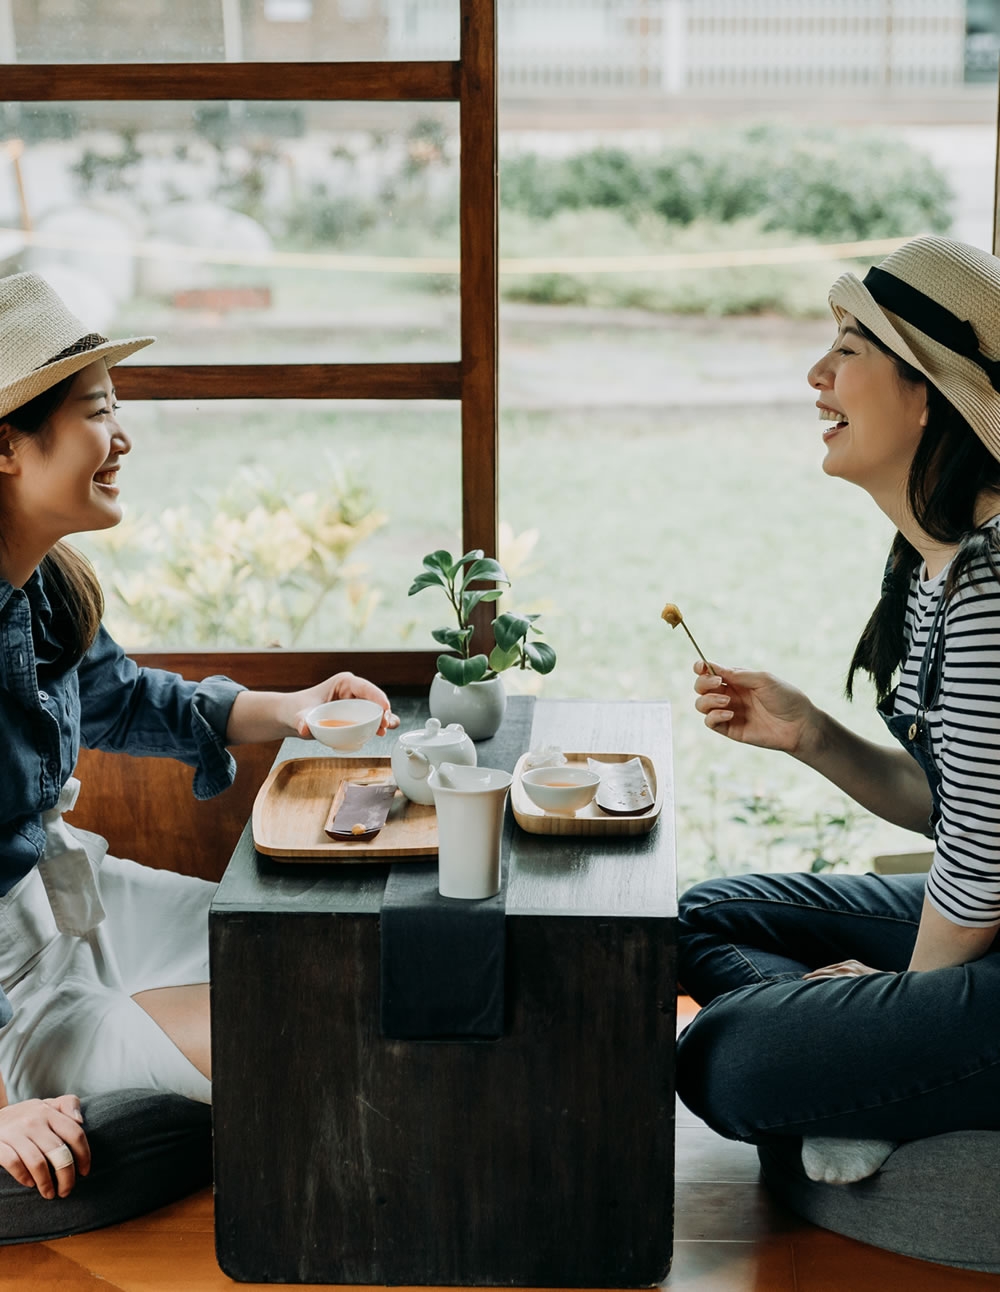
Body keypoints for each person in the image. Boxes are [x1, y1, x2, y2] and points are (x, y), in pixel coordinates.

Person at [0, 272, 398, 1206]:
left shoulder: (48, 588)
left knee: (341, 961)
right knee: (306, 1036)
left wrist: (291, 708)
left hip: (85, 907)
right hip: (14, 1006)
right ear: (8, 447)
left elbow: (128, 698)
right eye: (99, 412)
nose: (123, 437)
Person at [676, 235, 1000, 1187]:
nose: (818, 374)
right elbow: (961, 805)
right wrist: (811, 734)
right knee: (704, 914)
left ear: (928, 391)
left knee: (720, 1061)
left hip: (986, 927)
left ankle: (864, 1071)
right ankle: (855, 1057)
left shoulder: (990, 588)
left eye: (851, 349)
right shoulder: (938, 558)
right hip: (984, 926)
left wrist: (897, 1009)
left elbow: (980, 868)